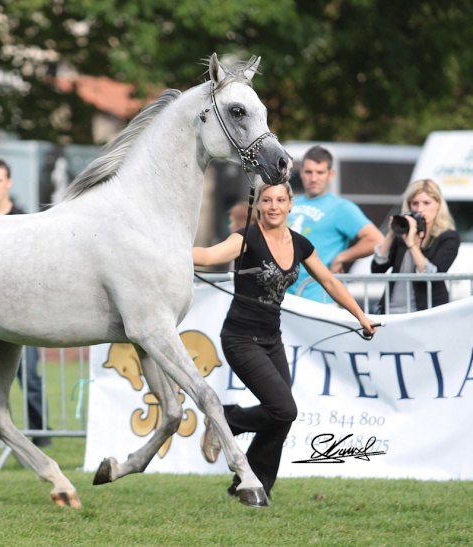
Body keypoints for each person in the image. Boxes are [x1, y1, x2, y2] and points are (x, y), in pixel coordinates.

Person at [193, 180, 377, 499]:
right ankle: (226, 419)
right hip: (240, 338)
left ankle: (250, 485)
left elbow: (330, 281)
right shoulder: (247, 238)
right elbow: (208, 256)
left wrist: (360, 316)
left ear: (291, 204)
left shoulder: (301, 244)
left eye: (280, 200)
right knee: (284, 409)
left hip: (271, 339)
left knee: (281, 415)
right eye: (267, 200)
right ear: (259, 205)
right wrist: (163, 250)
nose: (274, 206)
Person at [0, 158, 51, 447]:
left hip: (21, 311)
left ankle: (41, 433)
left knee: (29, 377)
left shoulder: (24, 218)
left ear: (7, 183)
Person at [286, 145, 383, 302]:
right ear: (301, 172)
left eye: (320, 172)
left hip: (320, 298)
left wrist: (341, 257)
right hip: (285, 297)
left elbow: (376, 240)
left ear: (331, 174)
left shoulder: (341, 208)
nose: (314, 178)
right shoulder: (289, 204)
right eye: (309, 172)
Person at [371, 178, 460, 313]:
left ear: (438, 204)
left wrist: (412, 244)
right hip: (392, 310)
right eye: (415, 203)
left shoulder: (448, 237)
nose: (420, 209)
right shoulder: (402, 235)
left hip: (426, 311)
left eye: (426, 203)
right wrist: (391, 235)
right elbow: (377, 269)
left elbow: (432, 275)